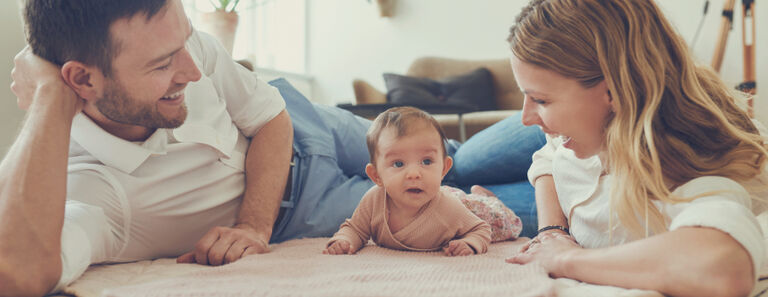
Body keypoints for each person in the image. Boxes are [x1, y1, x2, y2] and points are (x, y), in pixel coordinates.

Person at [1, 0, 545, 295]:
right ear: (82, 80)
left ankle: (607, 113)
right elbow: (15, 272)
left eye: (184, 44)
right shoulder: (90, 191)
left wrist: (251, 227)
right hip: (303, 205)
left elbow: (269, 117)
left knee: (456, 157)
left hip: (303, 124)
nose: (192, 70)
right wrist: (50, 93)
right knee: (486, 207)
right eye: (162, 65)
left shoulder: (180, 43)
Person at [502, 1, 768, 297]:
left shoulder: (688, 166)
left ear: (614, 91)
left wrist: (563, 258)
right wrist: (552, 231)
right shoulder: (579, 126)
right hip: (559, 184)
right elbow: (547, 158)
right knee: (458, 163)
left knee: (452, 184)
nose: (525, 117)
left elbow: (724, 267)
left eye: (540, 100)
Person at [323, 107, 495, 256]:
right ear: (376, 176)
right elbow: (356, 229)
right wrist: (344, 240)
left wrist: (470, 243)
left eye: (426, 162)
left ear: (444, 168)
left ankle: (487, 199)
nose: (414, 174)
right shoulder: (374, 200)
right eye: (398, 164)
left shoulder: (449, 208)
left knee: (498, 218)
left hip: (473, 209)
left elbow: (481, 229)